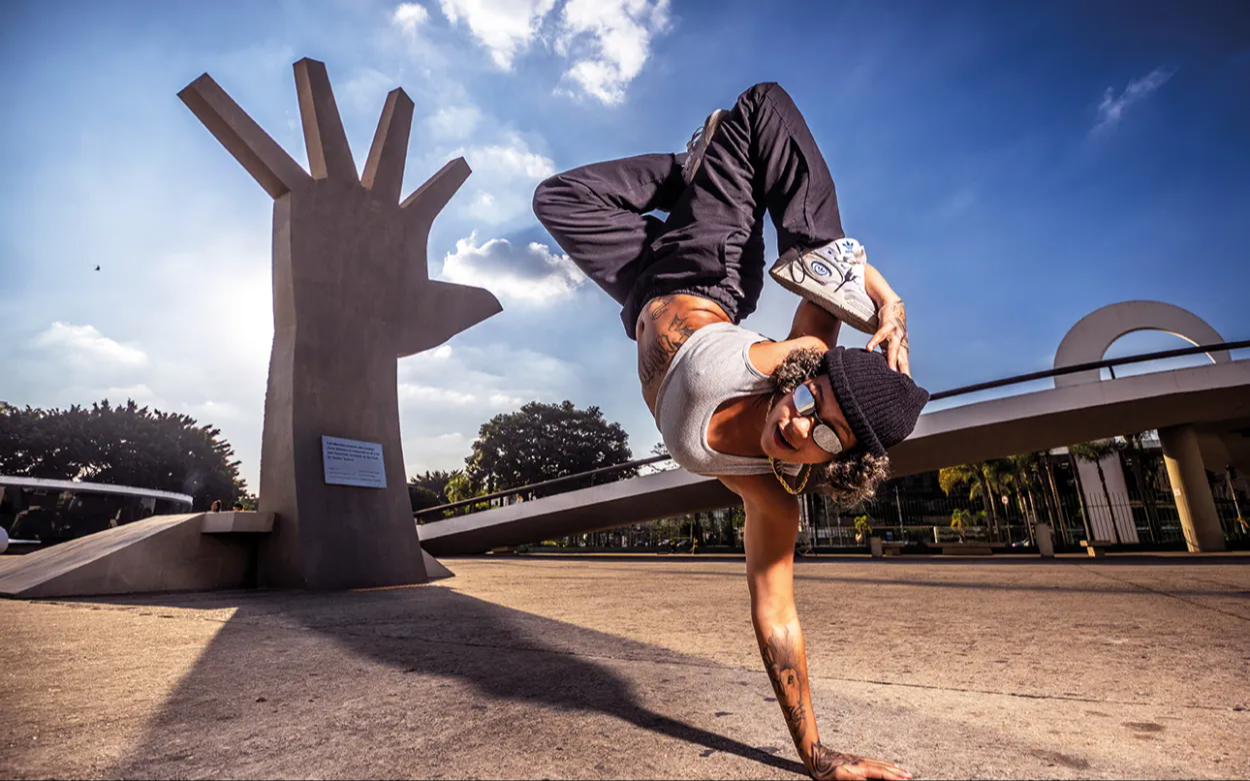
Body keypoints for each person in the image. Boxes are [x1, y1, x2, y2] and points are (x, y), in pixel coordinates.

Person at [534, 83, 926, 781]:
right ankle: (710, 166)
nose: (799, 420)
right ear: (808, 371)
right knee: (760, 116)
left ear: (834, 465)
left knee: (557, 199)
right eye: (812, 396)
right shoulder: (786, 362)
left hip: (641, 287)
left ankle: (693, 167)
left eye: (825, 436)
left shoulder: (771, 497)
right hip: (706, 263)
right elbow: (776, 118)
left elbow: (777, 617)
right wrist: (887, 299)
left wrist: (815, 754)